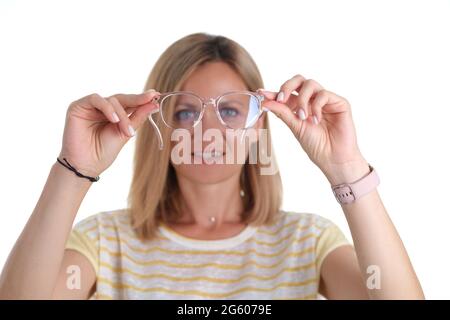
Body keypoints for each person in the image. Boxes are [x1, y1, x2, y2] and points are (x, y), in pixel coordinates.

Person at [0, 33, 424, 299]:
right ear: (159, 126)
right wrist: (73, 170)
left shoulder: (306, 242)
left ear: (260, 125)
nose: (208, 131)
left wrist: (346, 168)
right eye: (185, 112)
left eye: (231, 111)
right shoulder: (107, 241)